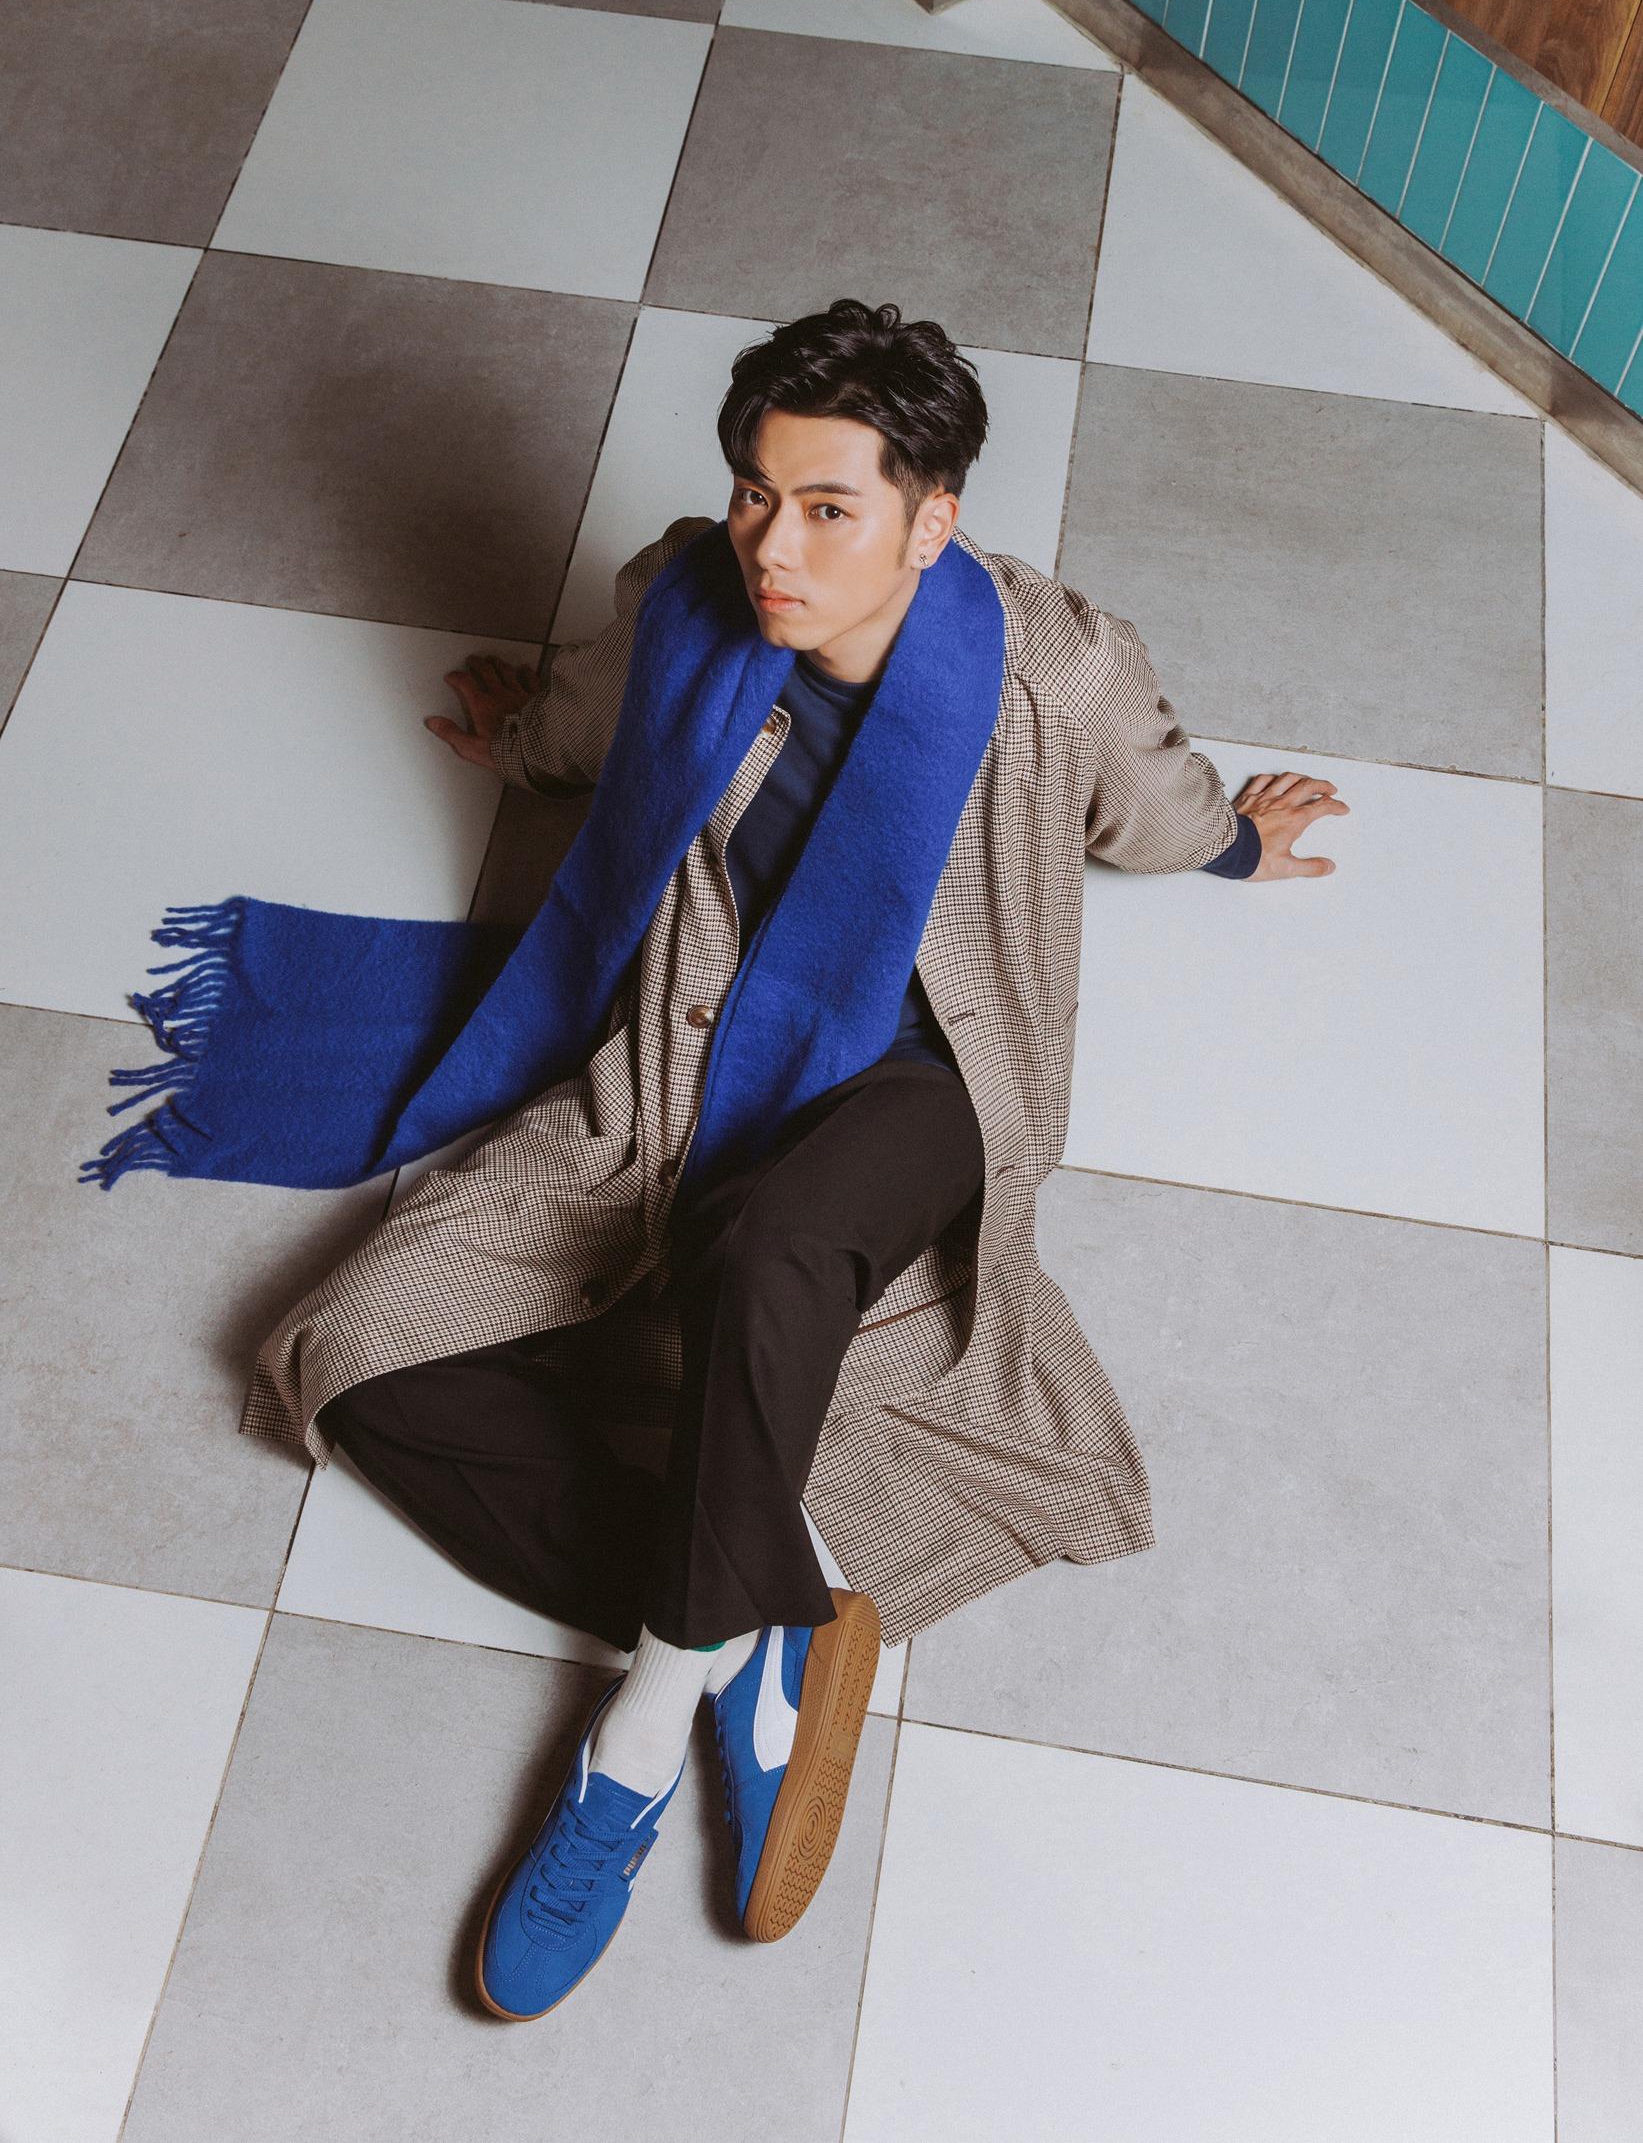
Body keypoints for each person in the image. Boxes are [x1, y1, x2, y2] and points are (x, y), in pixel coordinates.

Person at [242, 297, 1349, 2021]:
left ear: (932, 519)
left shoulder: (1053, 667)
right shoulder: (686, 598)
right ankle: (779, 1621)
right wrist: (518, 738)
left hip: (928, 1071)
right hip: (682, 1064)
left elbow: (1148, 798)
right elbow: (592, 722)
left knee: (769, 1255)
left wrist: (1232, 851)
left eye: (831, 509)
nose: (776, 548)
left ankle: (633, 1744)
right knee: (356, 1361)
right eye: (758, 494)